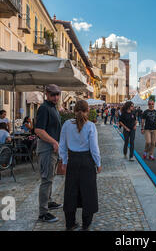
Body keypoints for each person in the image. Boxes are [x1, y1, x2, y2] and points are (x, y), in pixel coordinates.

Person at [59, 100, 101, 231]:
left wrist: (64, 161)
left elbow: (62, 145)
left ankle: (70, 223)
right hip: (87, 161)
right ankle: (86, 224)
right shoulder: (90, 126)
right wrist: (98, 163)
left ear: (74, 110)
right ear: (87, 110)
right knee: (88, 191)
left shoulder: (66, 124)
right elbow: (94, 148)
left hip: (72, 160)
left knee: (70, 191)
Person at [34, 84, 63, 223]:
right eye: (53, 94)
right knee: (46, 179)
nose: (56, 97)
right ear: (47, 94)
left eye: (57, 94)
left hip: (52, 148)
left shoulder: (53, 107)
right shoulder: (44, 108)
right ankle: (43, 212)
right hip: (46, 148)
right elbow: (39, 130)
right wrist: (54, 142)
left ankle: (49, 201)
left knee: (51, 176)